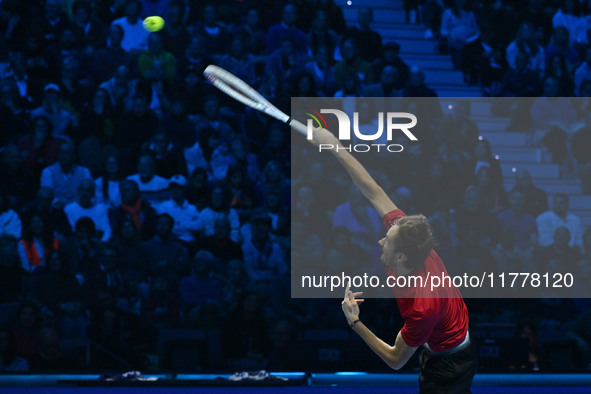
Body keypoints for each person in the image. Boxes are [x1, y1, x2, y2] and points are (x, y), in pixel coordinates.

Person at [308, 126, 476, 393]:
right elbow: (372, 189)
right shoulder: (411, 242)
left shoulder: (424, 305)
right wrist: (334, 146)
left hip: (449, 365)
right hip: (437, 338)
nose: (380, 240)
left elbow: (396, 360)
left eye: (387, 238)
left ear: (400, 256)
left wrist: (355, 322)